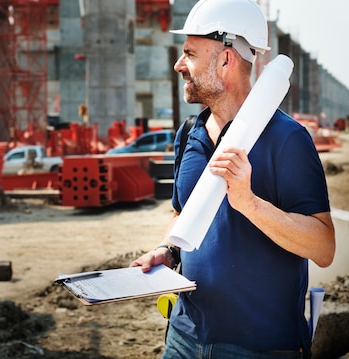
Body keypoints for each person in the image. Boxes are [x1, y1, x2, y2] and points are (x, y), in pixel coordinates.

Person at [129, 0, 336, 358]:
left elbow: (323, 247)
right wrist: (168, 250)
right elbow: (183, 214)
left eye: (190, 54)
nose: (179, 65)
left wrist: (249, 203)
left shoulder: (286, 139)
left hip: (259, 347)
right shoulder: (189, 133)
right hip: (184, 336)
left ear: (226, 59)